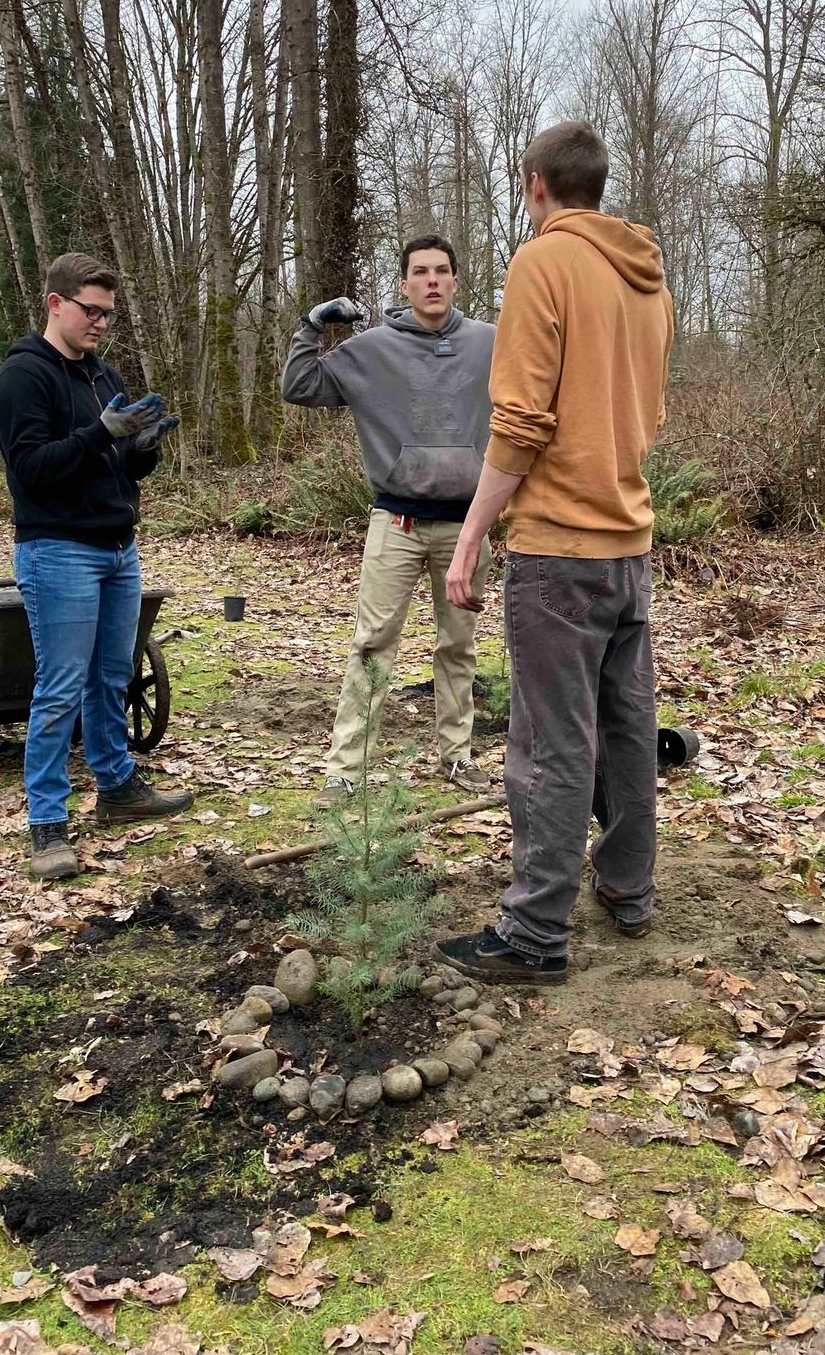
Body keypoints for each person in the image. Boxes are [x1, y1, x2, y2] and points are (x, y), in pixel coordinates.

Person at [434, 121, 675, 985]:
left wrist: (469, 540)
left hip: (559, 550)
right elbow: (645, 414)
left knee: (549, 743)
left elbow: (522, 422)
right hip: (629, 543)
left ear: (535, 183)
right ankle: (629, 889)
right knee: (626, 729)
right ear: (596, 184)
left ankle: (534, 935)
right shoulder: (646, 278)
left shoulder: (542, 263)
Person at [0, 251, 192, 881]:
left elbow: (116, 467)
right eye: (91, 311)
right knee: (60, 688)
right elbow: (31, 471)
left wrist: (142, 451)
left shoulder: (102, 375)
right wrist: (103, 435)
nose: (101, 323)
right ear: (55, 303)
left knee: (112, 678)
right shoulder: (23, 377)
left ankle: (118, 788)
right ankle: (47, 824)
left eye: (108, 314)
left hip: (117, 547)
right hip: (58, 551)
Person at [281, 234, 496, 804]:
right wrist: (311, 325)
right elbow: (298, 386)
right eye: (419, 271)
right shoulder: (371, 349)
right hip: (395, 522)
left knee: (459, 646)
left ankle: (457, 757)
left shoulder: (490, 344)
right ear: (403, 284)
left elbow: (539, 394)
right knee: (372, 644)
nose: (431, 280)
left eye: (441, 271)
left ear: (455, 280)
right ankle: (346, 770)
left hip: (466, 527)